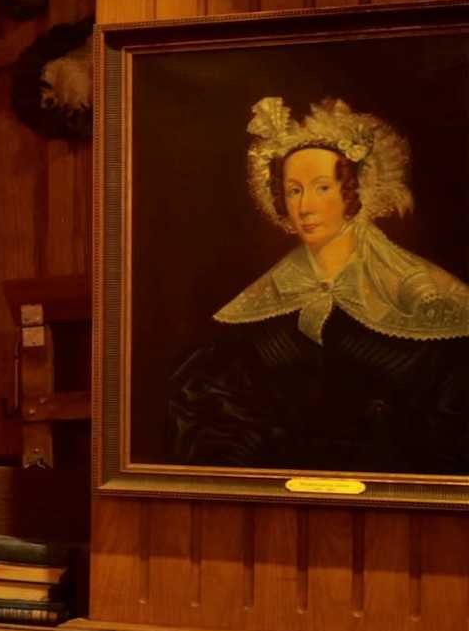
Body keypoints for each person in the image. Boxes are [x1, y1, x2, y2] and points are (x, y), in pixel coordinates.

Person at [168, 94, 469, 475]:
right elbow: (218, 413)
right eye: (294, 190)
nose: (305, 206)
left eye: (322, 187)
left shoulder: (419, 289)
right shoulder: (265, 301)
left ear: (354, 191)